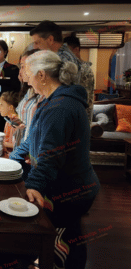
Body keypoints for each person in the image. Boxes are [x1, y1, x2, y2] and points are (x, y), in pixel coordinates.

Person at [10, 50, 100, 269]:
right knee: (72, 234)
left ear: (42, 75)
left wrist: (35, 185)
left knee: (65, 236)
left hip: (72, 187)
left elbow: (51, 155)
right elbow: (31, 140)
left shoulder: (61, 108)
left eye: (29, 74)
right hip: (72, 184)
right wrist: (12, 161)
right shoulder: (52, 101)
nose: (27, 79)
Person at [30, 21, 94, 121]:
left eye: (37, 42)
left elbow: (61, 96)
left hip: (68, 118)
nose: (35, 47)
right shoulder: (60, 56)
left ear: (50, 39)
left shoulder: (64, 60)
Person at [64, 33, 95, 120]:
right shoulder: (73, 67)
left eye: (67, 51)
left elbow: (86, 98)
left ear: (76, 49)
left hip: (80, 116)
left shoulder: (83, 69)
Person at [0, 91, 21, 157]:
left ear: (11, 107)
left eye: (1, 104)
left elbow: (18, 145)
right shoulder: (8, 121)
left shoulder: (17, 123)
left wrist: (3, 144)